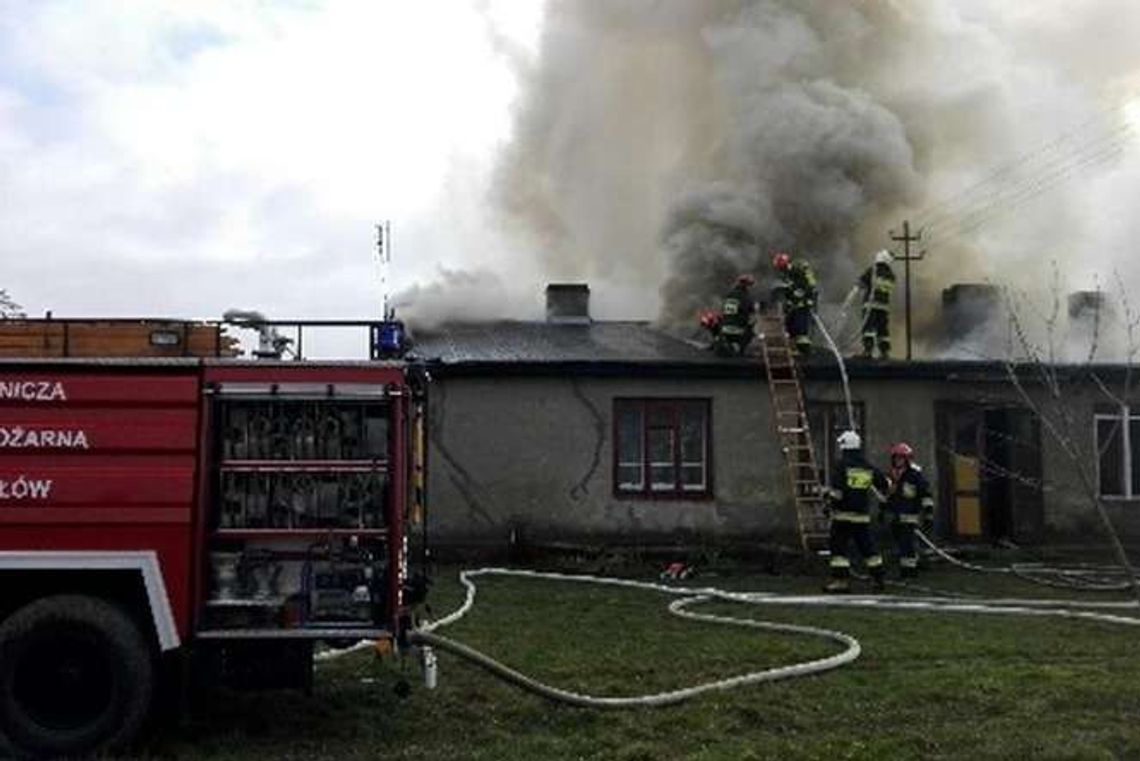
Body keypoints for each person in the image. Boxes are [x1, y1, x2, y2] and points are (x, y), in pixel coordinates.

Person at [824, 429, 889, 593]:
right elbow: (885, 484)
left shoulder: (841, 466)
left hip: (843, 516)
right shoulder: (867, 466)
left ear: (844, 446)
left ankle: (841, 581)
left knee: (839, 549)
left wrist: (828, 503)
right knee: (868, 549)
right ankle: (878, 579)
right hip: (862, 516)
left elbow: (837, 493)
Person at [884, 442, 934, 579]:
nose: (898, 460)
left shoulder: (914, 476)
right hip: (895, 517)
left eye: (901, 458)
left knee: (908, 545)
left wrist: (929, 513)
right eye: (896, 458)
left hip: (910, 516)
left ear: (907, 459)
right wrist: (883, 511)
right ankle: (906, 568)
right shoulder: (892, 476)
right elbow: (887, 496)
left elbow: (926, 495)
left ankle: (910, 572)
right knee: (901, 545)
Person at [771, 252, 818, 356]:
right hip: (794, 306)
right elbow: (790, 290)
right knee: (789, 326)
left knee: (801, 331)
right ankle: (794, 349)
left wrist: (806, 299)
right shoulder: (786, 275)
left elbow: (809, 287)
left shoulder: (797, 271)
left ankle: (805, 352)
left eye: (781, 267)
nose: (780, 270)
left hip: (802, 306)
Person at [858, 250, 896, 359]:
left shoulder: (873, 270)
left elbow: (861, 283)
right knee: (883, 330)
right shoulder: (890, 275)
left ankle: (868, 351)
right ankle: (884, 352)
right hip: (884, 307)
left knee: (868, 328)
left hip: (871, 305)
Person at [713, 274, 757, 356]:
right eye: (749, 285)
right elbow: (752, 314)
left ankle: (727, 344)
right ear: (746, 285)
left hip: (724, 331)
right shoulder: (746, 297)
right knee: (751, 329)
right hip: (739, 331)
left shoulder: (729, 295)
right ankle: (741, 350)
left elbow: (722, 313)